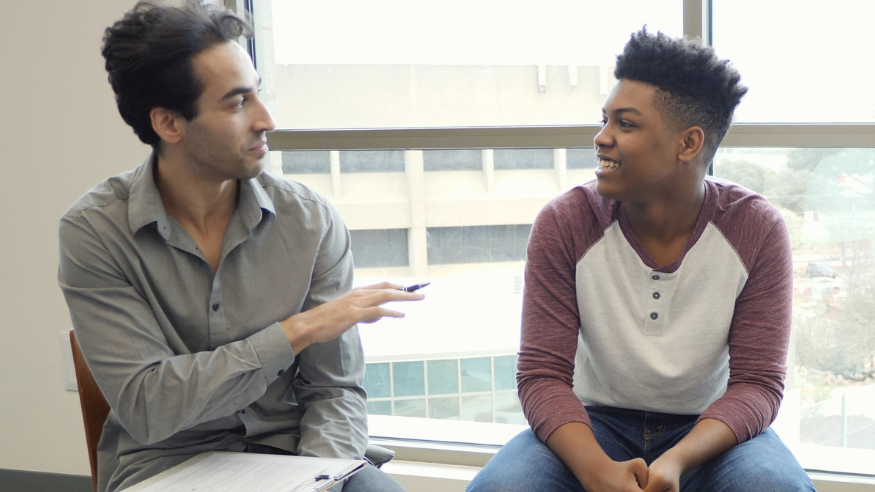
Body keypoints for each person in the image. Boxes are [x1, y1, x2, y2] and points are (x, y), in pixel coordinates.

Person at [57, 2, 421, 491]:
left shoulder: (311, 222)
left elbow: (335, 392)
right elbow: (149, 407)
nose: (265, 119)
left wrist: (313, 483)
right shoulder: (94, 232)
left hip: (297, 453)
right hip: (168, 466)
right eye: (236, 103)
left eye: (259, 94)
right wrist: (297, 330)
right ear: (169, 124)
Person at [467, 29, 815, 492]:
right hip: (592, 425)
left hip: (711, 434)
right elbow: (541, 376)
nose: (601, 138)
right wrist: (596, 470)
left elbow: (758, 384)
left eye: (625, 125)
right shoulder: (566, 221)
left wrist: (677, 459)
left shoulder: (755, 228)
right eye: (604, 120)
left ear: (688, 144)